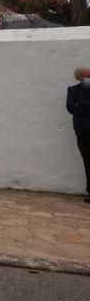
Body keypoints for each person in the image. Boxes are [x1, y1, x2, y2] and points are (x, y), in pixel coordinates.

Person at [67, 67, 90, 203]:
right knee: (88, 161)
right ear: (78, 78)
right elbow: (70, 108)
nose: (88, 78)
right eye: (86, 76)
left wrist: (82, 103)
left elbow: (77, 107)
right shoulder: (73, 90)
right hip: (82, 130)